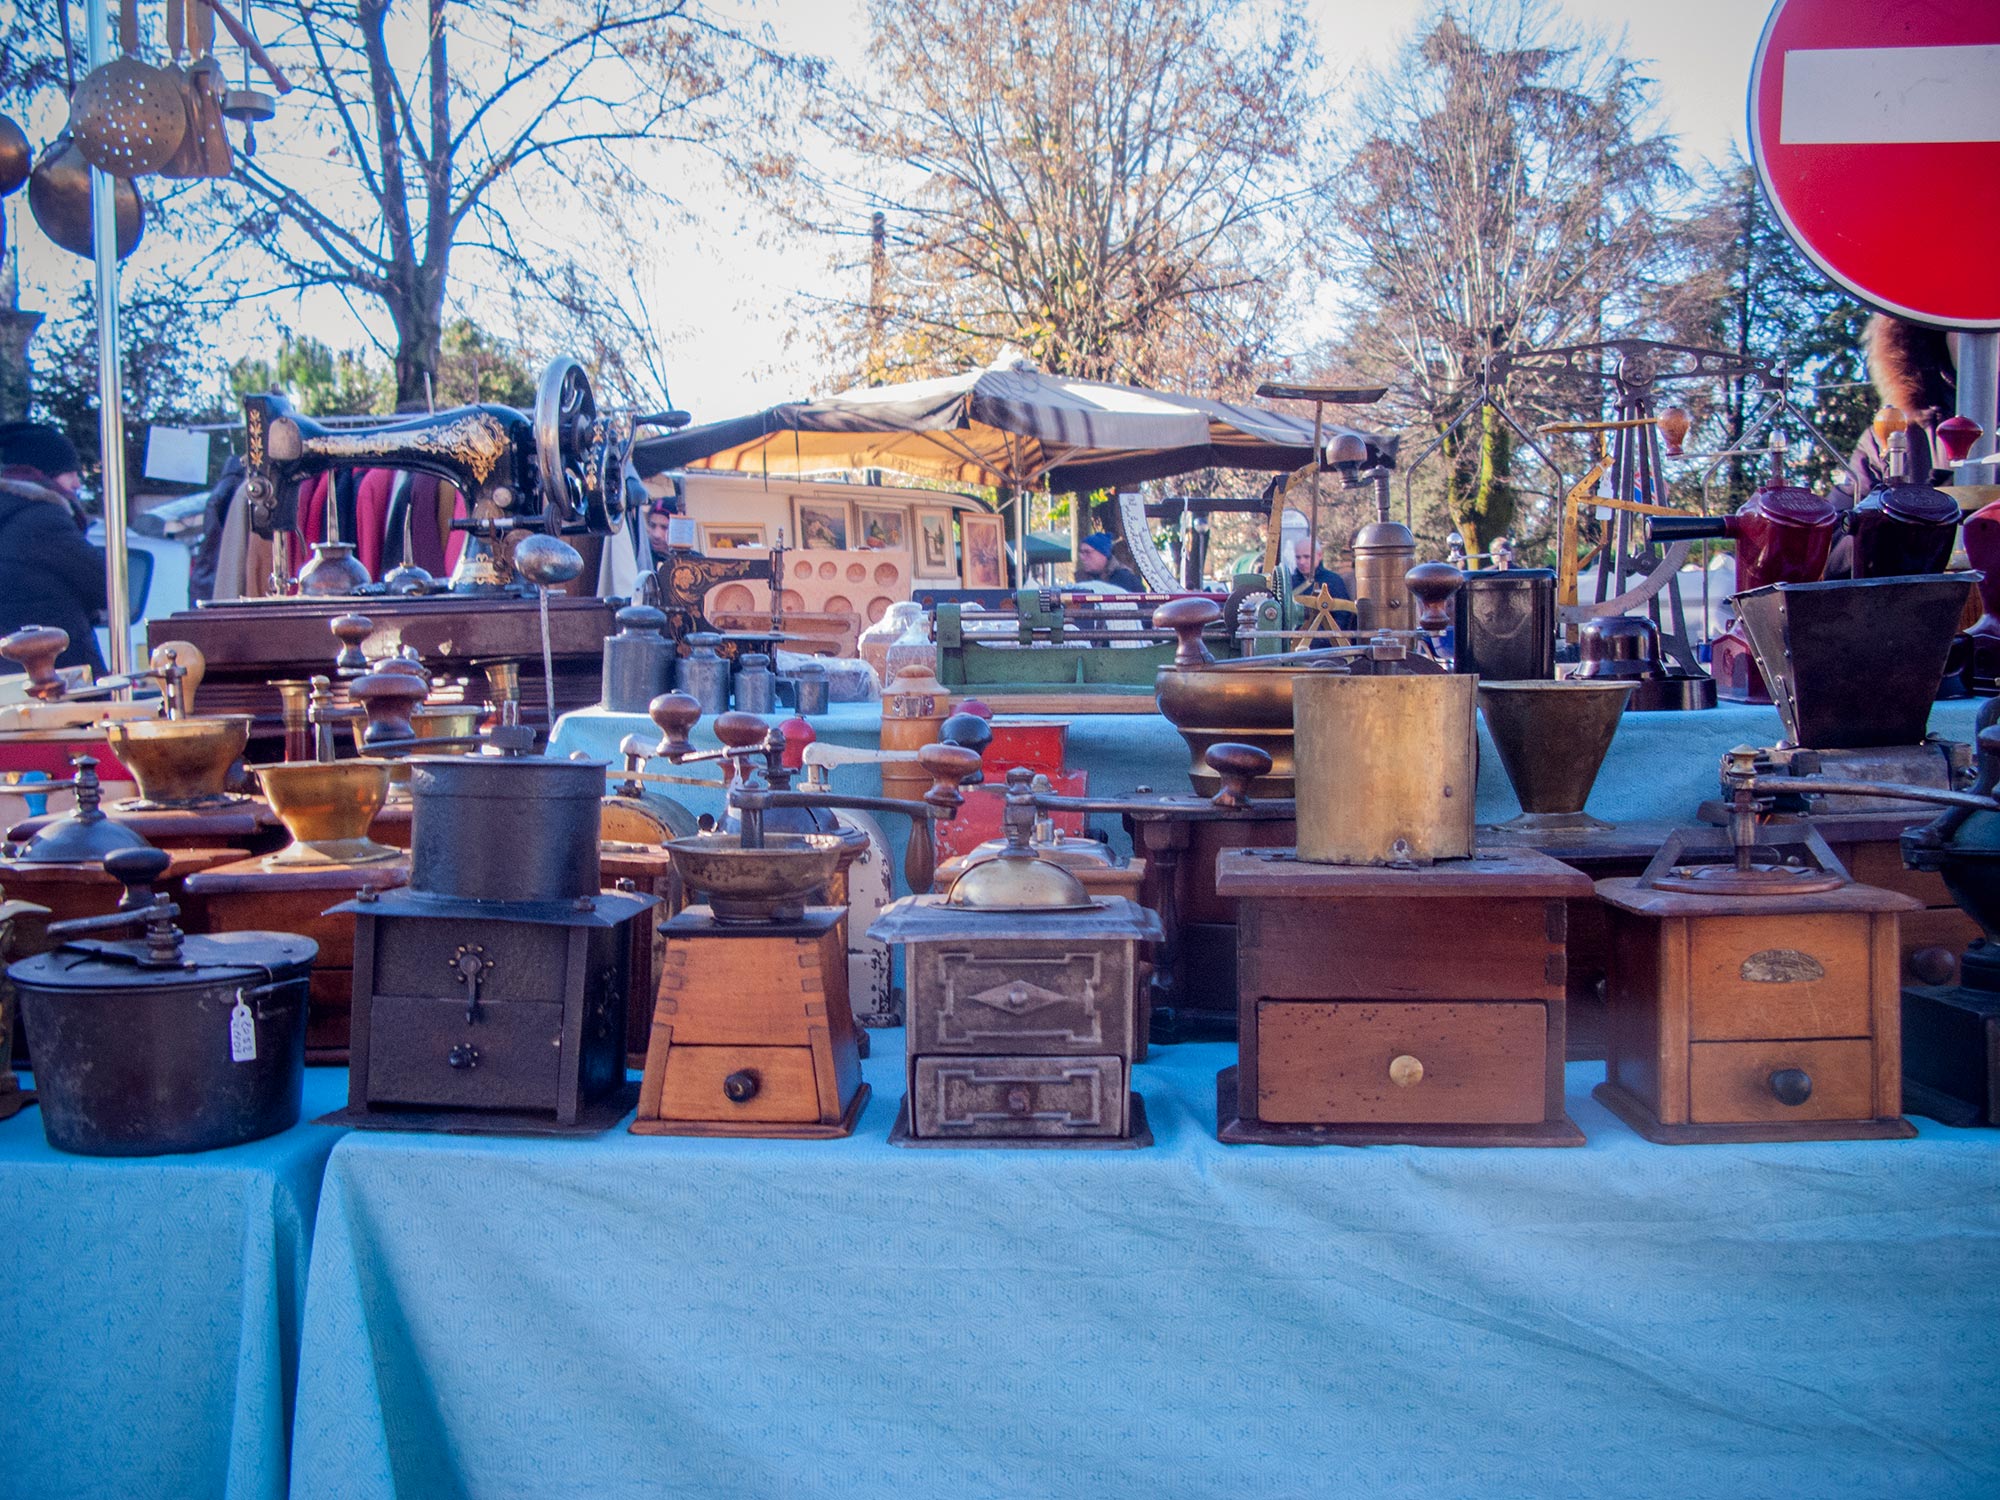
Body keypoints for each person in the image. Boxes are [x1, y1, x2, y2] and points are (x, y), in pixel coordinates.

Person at [0, 421, 108, 676]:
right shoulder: (40, 519)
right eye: (69, 471)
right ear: (42, 472)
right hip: (58, 676)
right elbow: (107, 585)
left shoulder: (12, 515)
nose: (77, 483)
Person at [1287, 536, 1358, 633]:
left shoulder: (1333, 581)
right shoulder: (1289, 583)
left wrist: (1324, 638)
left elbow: (1344, 615)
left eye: (1307, 557)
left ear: (1319, 555)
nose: (1301, 562)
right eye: (1298, 557)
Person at [1077, 530, 1142, 591]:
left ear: (1102, 554)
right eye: (1081, 552)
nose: (1082, 557)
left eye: (1087, 552)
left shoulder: (1125, 579)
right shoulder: (1082, 578)